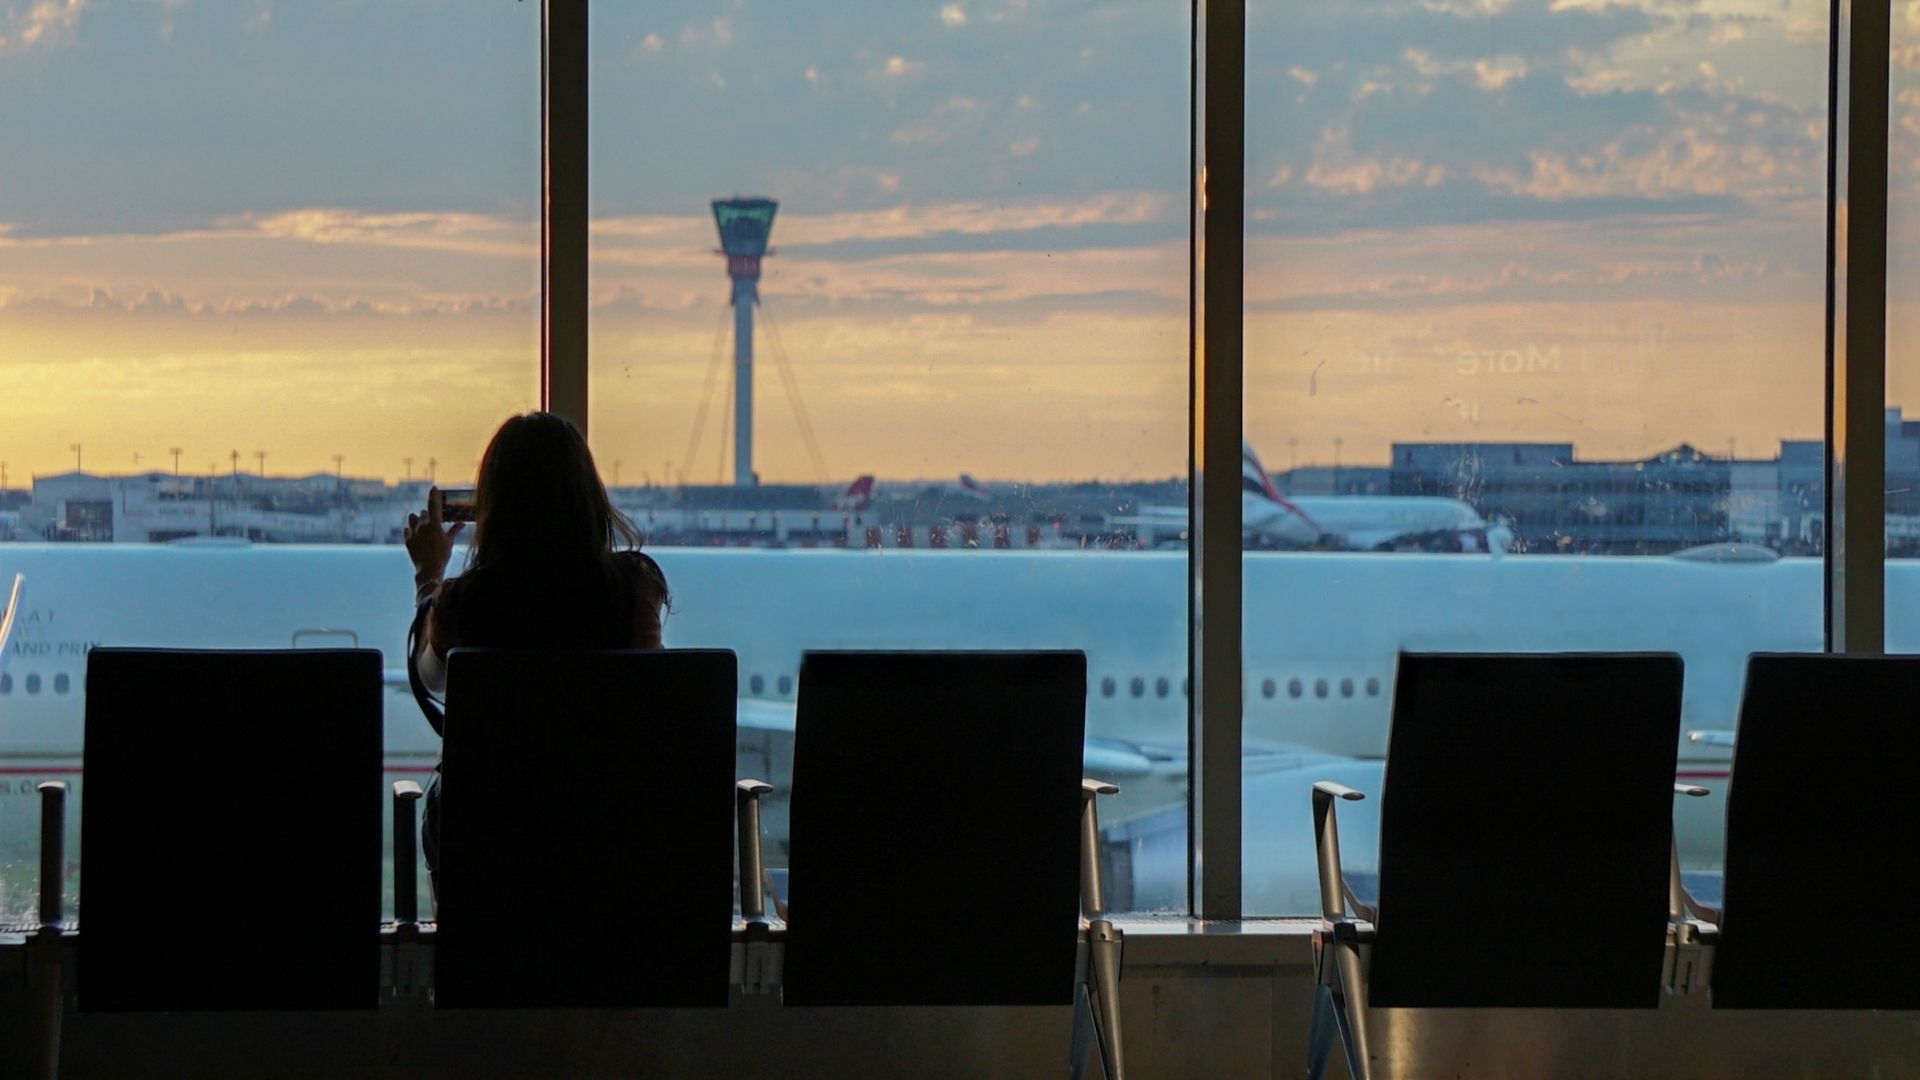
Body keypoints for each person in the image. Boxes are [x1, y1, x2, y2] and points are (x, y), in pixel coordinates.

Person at [402, 412, 670, 877]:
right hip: (608, 841)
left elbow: (429, 675)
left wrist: (430, 579)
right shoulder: (633, 590)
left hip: (491, 849)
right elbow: (654, 692)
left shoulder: (466, 604)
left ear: (492, 508)